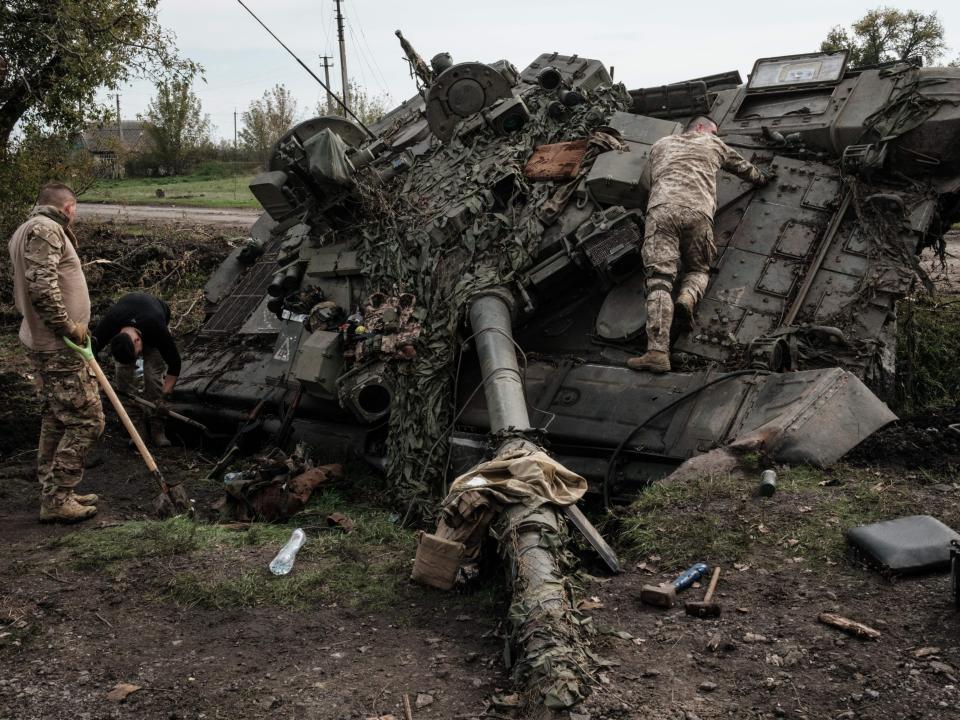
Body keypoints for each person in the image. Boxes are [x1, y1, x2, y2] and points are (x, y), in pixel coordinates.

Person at [628, 116, 774, 373]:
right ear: (701, 128)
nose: (717, 136)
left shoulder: (660, 144)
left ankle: (657, 353)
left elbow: (648, 181)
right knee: (698, 269)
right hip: (698, 213)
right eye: (714, 131)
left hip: (662, 210)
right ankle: (687, 297)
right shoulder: (714, 145)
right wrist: (763, 178)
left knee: (659, 279)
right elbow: (744, 168)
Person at [8, 182, 104, 522]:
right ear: (67, 207)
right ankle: (58, 498)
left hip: (43, 343)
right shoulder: (47, 230)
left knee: (55, 417)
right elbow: (42, 287)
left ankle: (54, 489)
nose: (74, 215)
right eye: (75, 210)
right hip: (57, 347)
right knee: (87, 420)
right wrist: (68, 327)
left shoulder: (24, 230)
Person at [92, 292, 181, 448]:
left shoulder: (157, 329)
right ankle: (137, 430)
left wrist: (164, 396)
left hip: (154, 322)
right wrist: (99, 379)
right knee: (123, 377)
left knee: (152, 376)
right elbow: (90, 351)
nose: (136, 361)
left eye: (136, 355)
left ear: (138, 341)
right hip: (128, 318)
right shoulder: (110, 323)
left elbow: (175, 364)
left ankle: (157, 427)